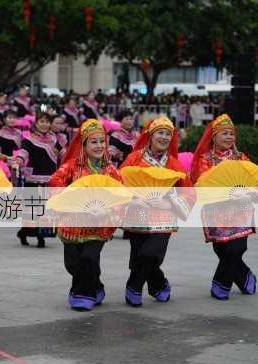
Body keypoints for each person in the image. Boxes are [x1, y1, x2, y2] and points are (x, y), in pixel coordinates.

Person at [120, 116, 196, 307]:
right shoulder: (134, 158)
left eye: (168, 134)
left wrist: (169, 204)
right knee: (140, 256)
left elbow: (189, 193)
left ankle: (134, 286)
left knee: (150, 254)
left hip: (163, 217)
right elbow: (119, 183)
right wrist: (135, 199)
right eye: (160, 133)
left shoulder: (174, 164)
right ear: (150, 135)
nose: (164, 137)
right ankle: (159, 285)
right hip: (138, 215)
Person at [48, 119, 123, 311]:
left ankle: (82, 296)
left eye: (102, 142)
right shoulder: (71, 167)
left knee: (89, 257)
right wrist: (73, 199)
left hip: (99, 225)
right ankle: (96, 286)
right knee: (72, 263)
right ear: (83, 145)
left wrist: (106, 210)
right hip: (72, 224)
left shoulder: (111, 171)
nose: (99, 146)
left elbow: (121, 196)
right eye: (93, 142)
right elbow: (55, 182)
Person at [190, 114, 256, 299]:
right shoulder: (204, 160)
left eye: (231, 134)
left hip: (241, 210)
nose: (229, 137)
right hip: (216, 211)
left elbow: (253, 181)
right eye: (224, 133)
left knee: (237, 248)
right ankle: (244, 276)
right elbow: (200, 184)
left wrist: (247, 193)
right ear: (214, 136)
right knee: (222, 250)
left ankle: (221, 284)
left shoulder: (241, 157)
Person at [14, 112, 62, 248]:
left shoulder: (54, 139)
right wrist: (19, 160)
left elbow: (65, 153)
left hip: (50, 178)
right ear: (36, 123)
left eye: (47, 122)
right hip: (33, 179)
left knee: (46, 208)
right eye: (42, 121)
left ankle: (41, 234)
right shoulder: (29, 140)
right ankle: (27, 233)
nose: (44, 124)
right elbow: (23, 153)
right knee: (33, 209)